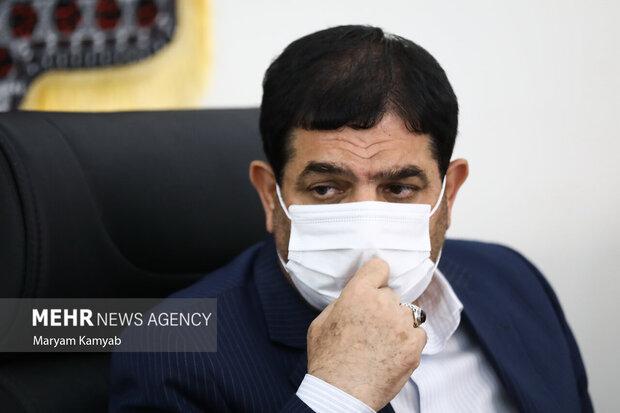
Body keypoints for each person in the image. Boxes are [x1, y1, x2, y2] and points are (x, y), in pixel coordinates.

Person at [109, 25, 592, 412]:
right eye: (326, 188)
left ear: (450, 193)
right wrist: (337, 395)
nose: (367, 228)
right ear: (270, 196)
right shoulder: (172, 350)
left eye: (399, 188)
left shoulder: (513, 280)